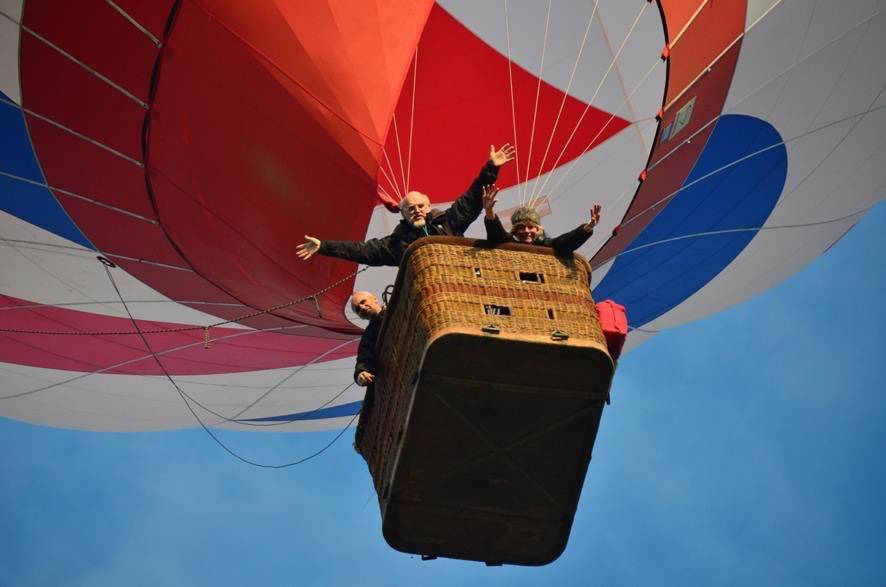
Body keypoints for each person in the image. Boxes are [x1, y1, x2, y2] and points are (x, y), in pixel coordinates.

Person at [296, 144, 516, 266]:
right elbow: (360, 250)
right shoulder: (396, 244)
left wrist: (491, 168)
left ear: (429, 207)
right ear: (403, 215)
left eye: (420, 206)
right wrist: (323, 246)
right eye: (410, 209)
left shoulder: (449, 222)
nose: (417, 211)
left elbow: (473, 196)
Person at [482, 185, 602, 256]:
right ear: (515, 232)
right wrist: (489, 210)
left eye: (530, 227)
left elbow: (566, 241)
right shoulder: (507, 242)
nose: (526, 231)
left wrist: (588, 227)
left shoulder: (547, 245)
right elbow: (496, 231)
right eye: (521, 228)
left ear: (538, 229)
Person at [350, 290, 384, 453]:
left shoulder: (399, 305)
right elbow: (363, 361)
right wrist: (360, 374)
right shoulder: (369, 336)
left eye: (363, 302)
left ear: (375, 299)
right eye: (358, 309)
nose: (362, 307)